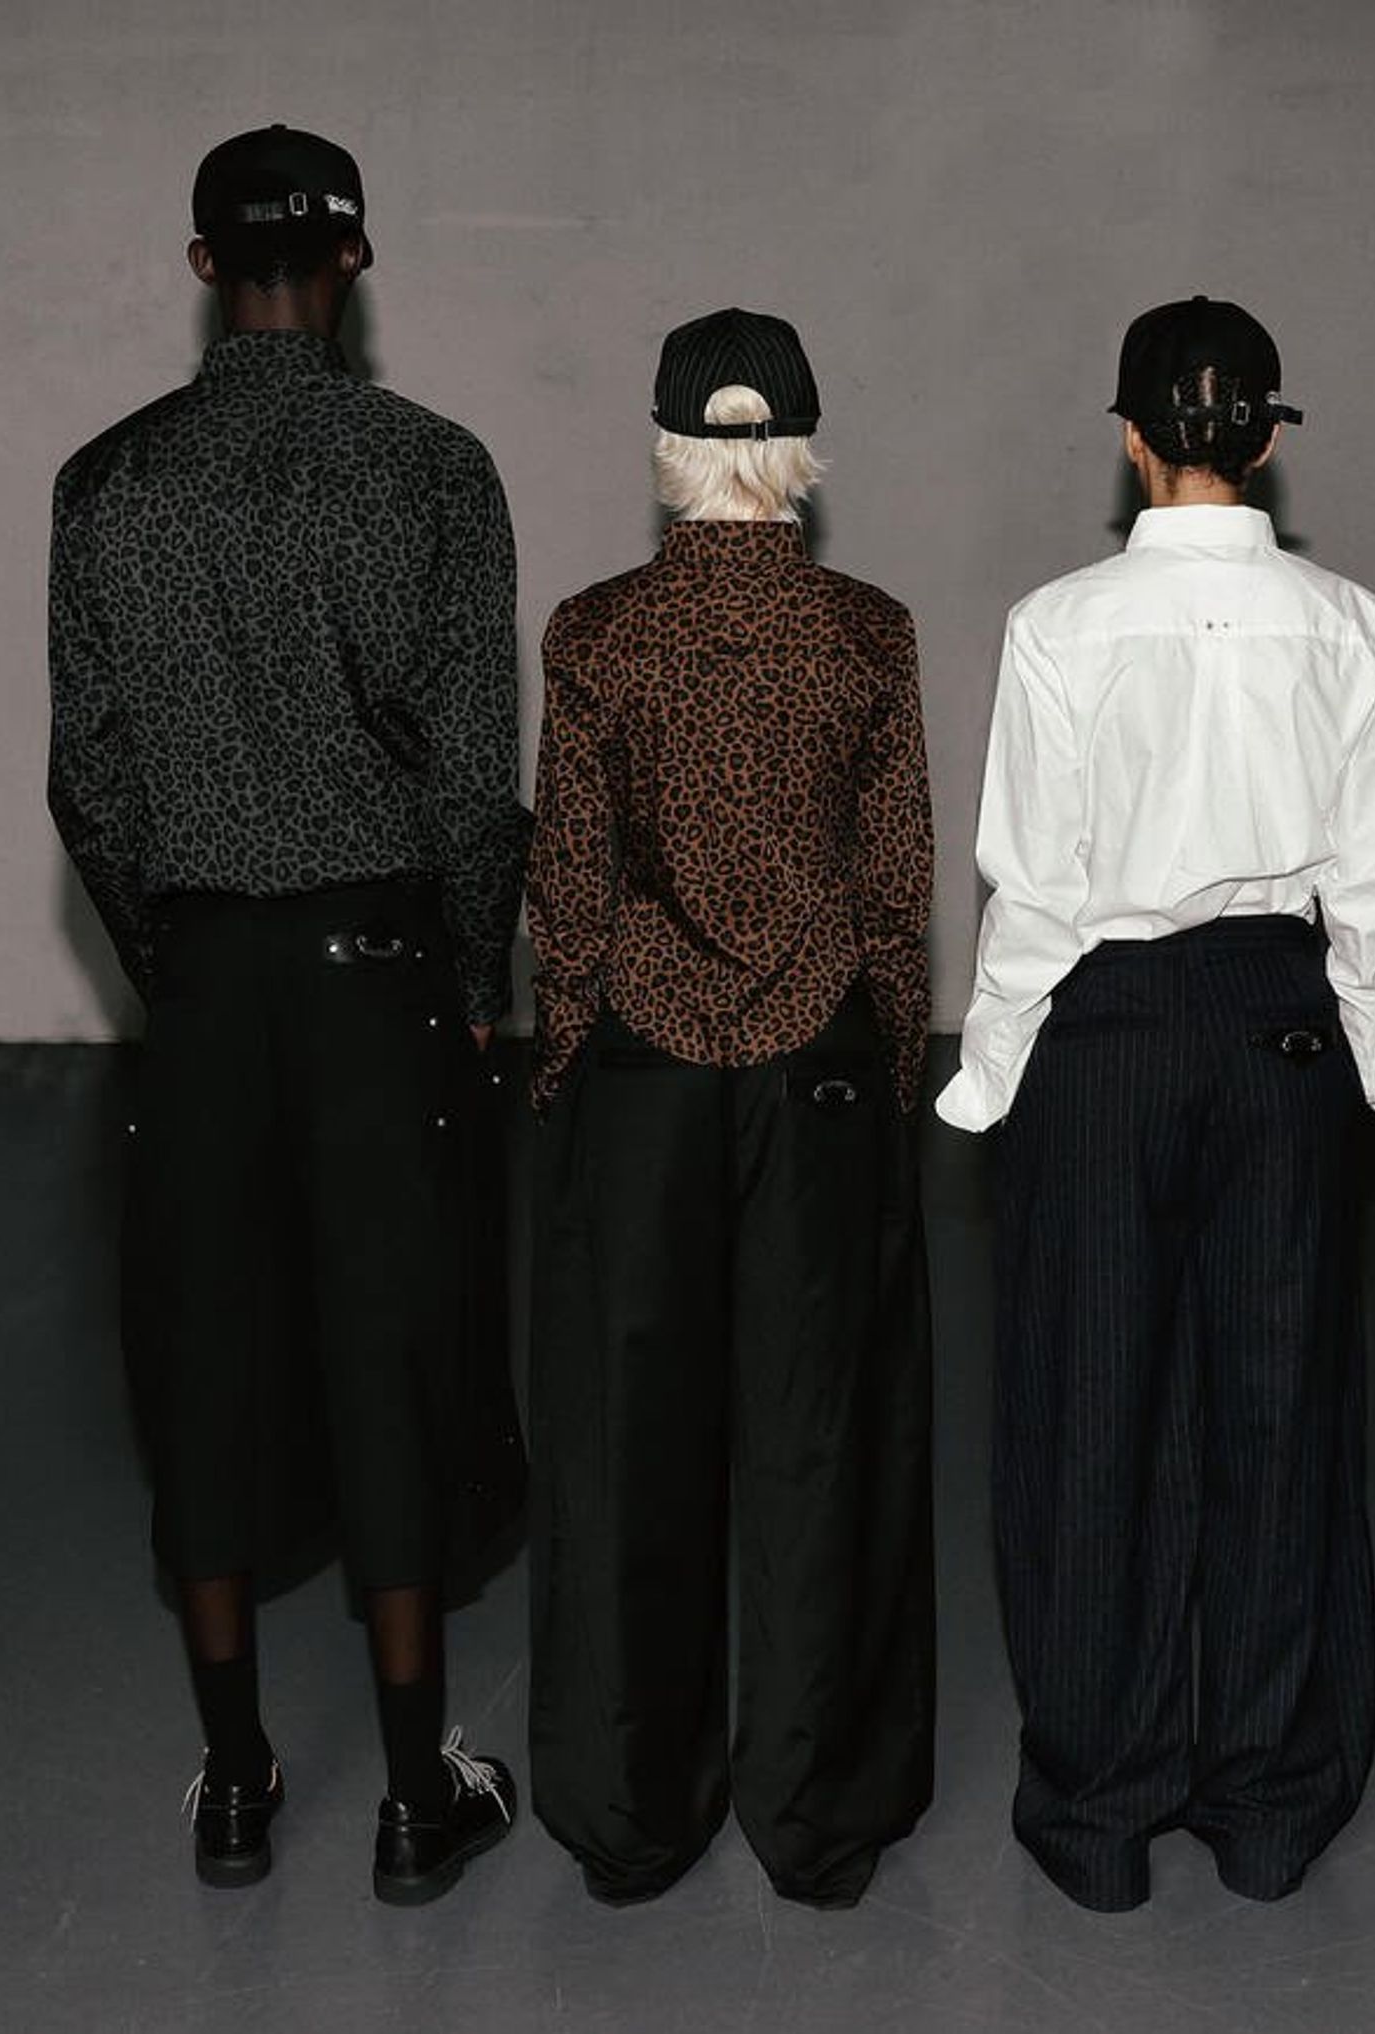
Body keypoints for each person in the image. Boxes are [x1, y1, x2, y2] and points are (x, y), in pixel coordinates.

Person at [47, 124, 529, 1904]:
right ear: (354, 261)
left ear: (202, 266)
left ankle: (238, 1784)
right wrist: (472, 983)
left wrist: (171, 958)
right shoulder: (431, 470)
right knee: (391, 1357)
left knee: (204, 1360)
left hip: (207, 985)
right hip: (380, 978)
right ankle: (414, 1798)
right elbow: (474, 782)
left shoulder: (107, 482)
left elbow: (88, 777)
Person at [938, 295, 1375, 1912]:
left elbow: (1035, 887)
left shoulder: (1058, 626)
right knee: (1279, 1412)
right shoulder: (1351, 624)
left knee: (1090, 1411)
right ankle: (1269, 1804)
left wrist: (993, 1064)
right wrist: (1373, 1051)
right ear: (1270, 438)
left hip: (1110, 1037)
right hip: (1279, 1028)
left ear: (1131, 440)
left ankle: (1099, 1810)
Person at [527, 308, 936, 1909]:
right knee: (821, 1434)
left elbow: (571, 884)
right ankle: (820, 1812)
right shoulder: (868, 633)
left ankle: (634, 1812)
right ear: (802, 452)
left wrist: (568, 1055)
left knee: (628, 1440)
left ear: (667, 449)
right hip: (816, 1070)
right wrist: (887, 1063)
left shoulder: (597, 633)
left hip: (642, 1072)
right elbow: (895, 889)